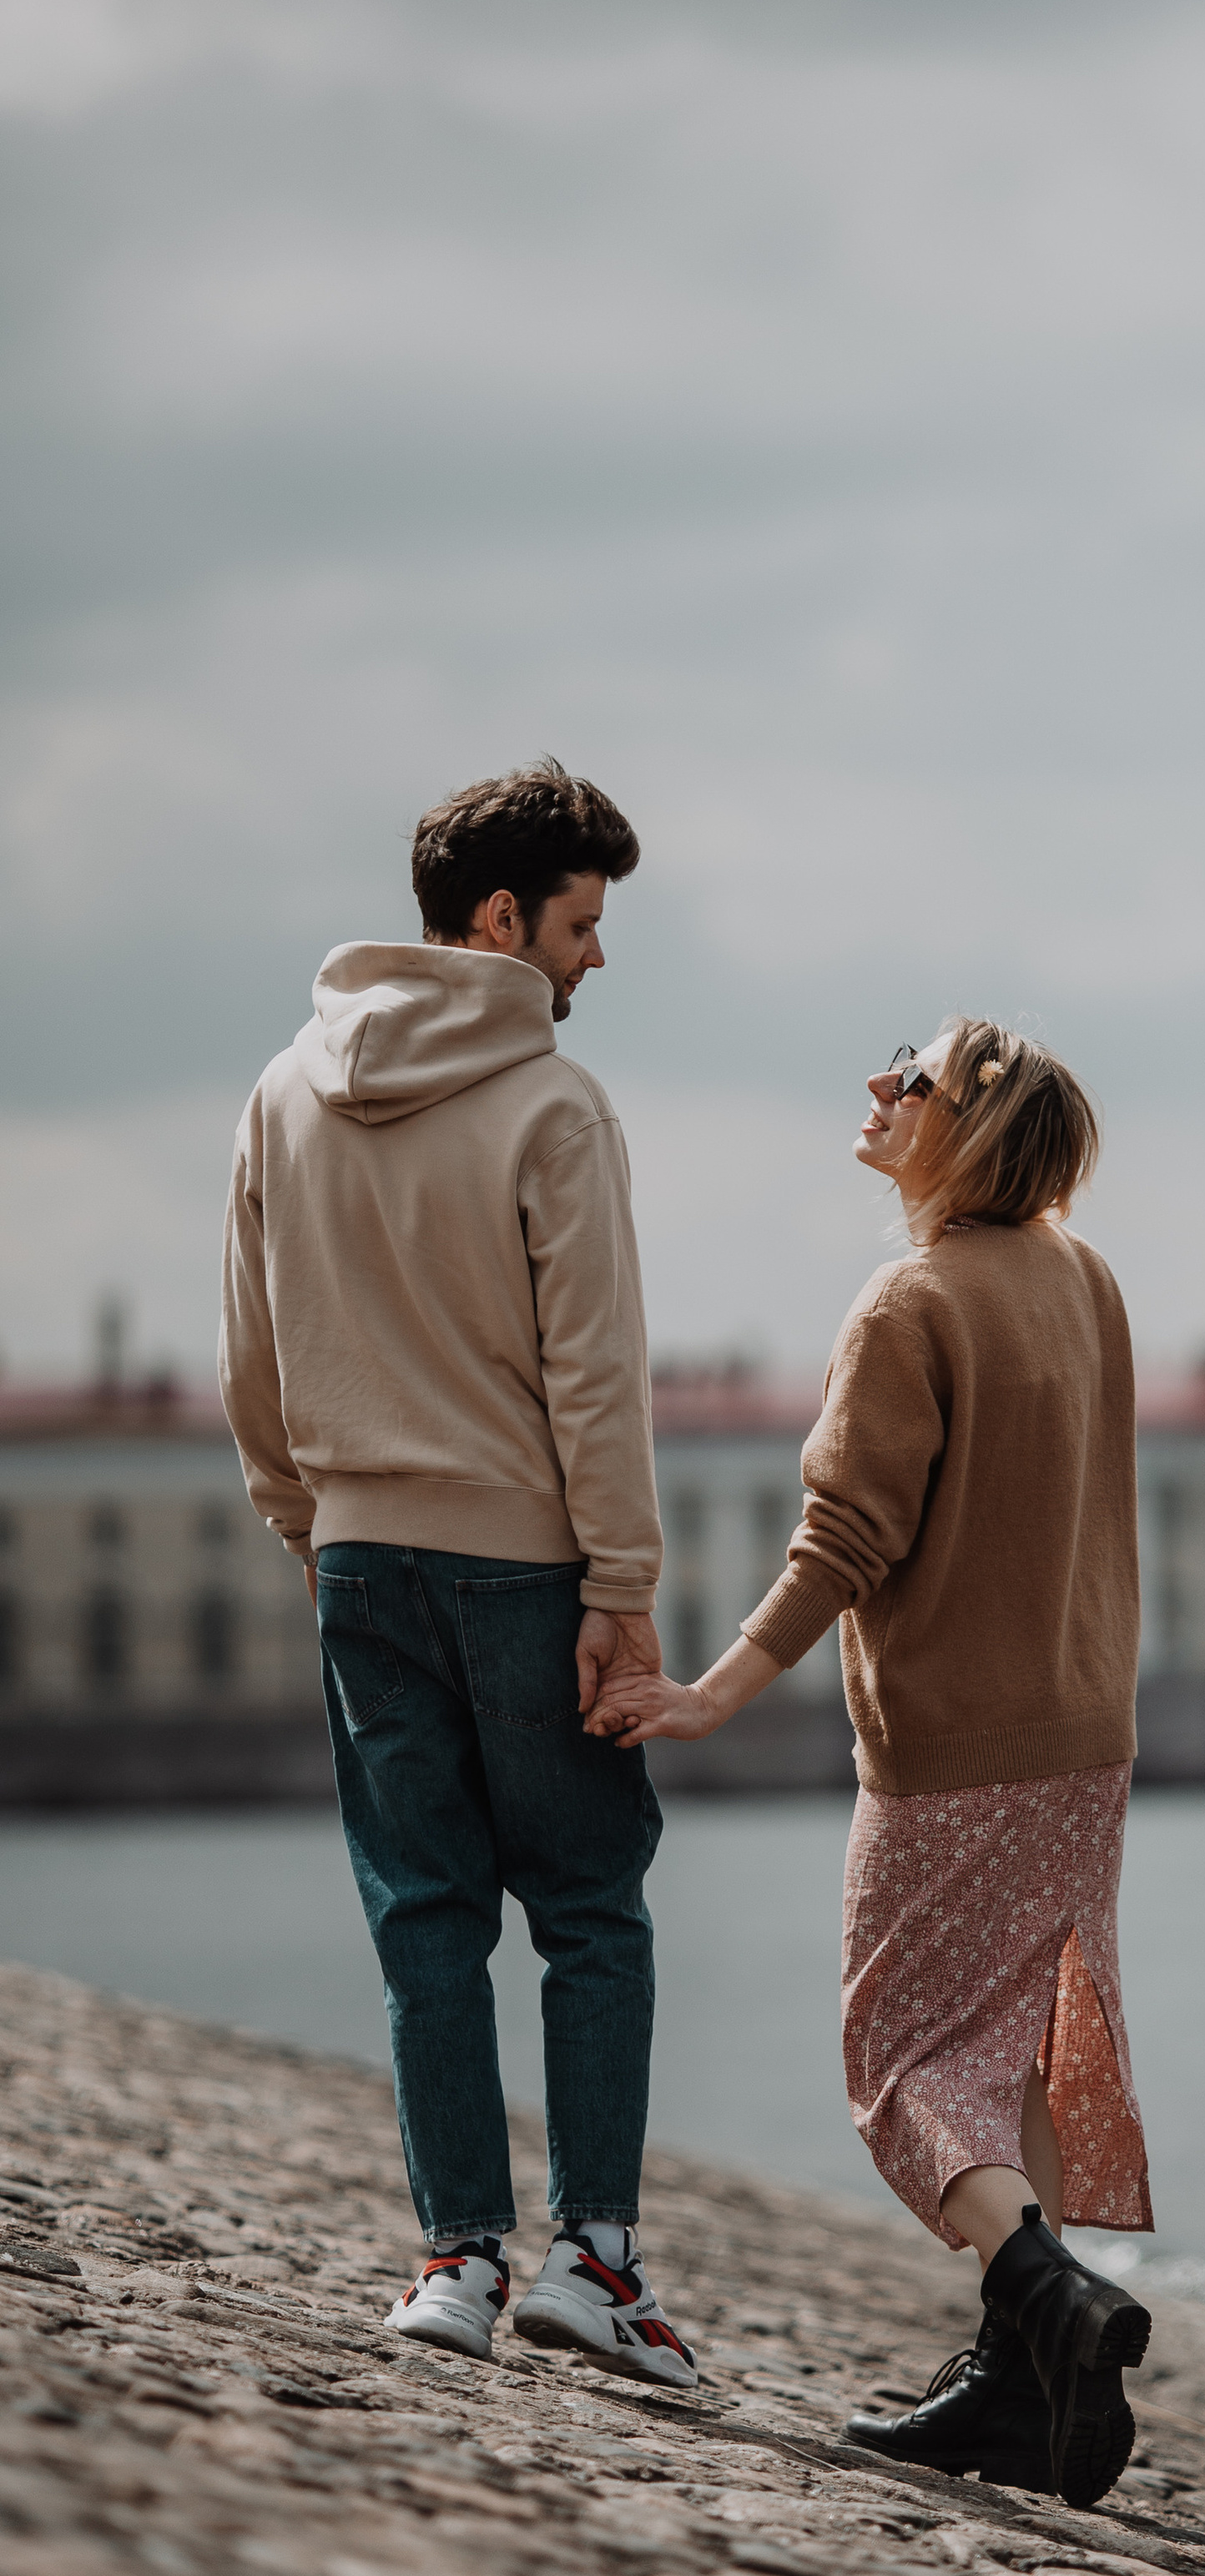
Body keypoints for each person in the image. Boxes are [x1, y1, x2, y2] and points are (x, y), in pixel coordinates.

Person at [591, 1019, 1152, 2506]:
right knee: (1028, 2041)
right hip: (1088, 1736)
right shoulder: (1086, 1281)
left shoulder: (910, 1301)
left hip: (954, 1747)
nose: (873, 1089)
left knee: (899, 2056)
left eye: (903, 1078)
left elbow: (846, 1540)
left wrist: (712, 1692)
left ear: (956, 1128)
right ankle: (1022, 2390)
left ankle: (1046, 2294)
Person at [218, 759, 696, 2389]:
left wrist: (314, 1528)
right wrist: (620, 1590)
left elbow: (250, 1359)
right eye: (581, 924)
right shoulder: (553, 1107)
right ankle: (597, 2266)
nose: (594, 960)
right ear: (500, 919)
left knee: (423, 1915)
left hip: (361, 1561)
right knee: (588, 1907)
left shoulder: (284, 1089)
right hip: (527, 1566)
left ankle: (452, 2266)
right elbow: (596, 1377)